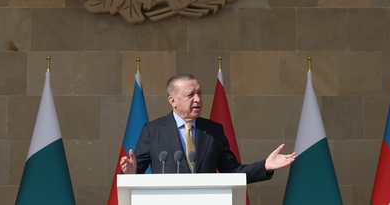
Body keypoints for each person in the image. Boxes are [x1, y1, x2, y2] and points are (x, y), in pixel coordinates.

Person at [119, 73, 296, 183]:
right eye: (190, 95)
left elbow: (232, 172)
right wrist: (131, 174)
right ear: (172, 101)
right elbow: (134, 172)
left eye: (200, 93)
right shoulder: (153, 131)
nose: (197, 99)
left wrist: (265, 166)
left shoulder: (213, 131)